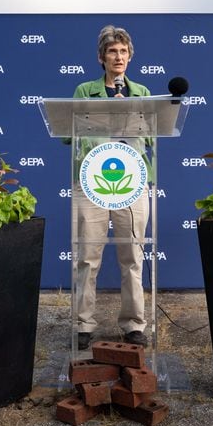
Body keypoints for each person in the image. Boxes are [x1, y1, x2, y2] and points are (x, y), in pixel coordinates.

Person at [73, 25, 151, 350]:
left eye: (123, 52)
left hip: (131, 183)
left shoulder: (143, 93)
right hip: (91, 181)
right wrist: (104, 122)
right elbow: (69, 134)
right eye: (112, 52)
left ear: (129, 57)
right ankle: (83, 324)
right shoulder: (83, 92)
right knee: (88, 256)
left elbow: (150, 137)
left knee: (132, 255)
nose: (118, 57)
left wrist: (126, 116)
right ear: (101, 58)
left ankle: (134, 324)